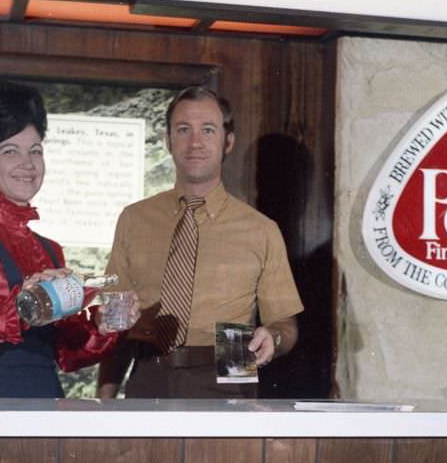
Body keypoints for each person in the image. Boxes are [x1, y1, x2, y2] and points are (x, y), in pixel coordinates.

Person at [0, 79, 136, 398]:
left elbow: (66, 354)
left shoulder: (49, 249)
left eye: (35, 151)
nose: (28, 164)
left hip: (47, 401)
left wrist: (103, 326)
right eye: (10, 151)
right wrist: (20, 310)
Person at [96, 86, 303, 399]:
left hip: (231, 367)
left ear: (227, 142)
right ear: (168, 141)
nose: (195, 143)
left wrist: (272, 335)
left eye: (208, 130)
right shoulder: (134, 219)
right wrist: (104, 399)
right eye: (183, 130)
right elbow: (116, 322)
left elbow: (284, 323)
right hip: (149, 367)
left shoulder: (261, 230)